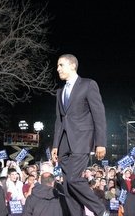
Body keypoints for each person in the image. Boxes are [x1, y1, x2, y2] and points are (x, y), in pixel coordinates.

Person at [51, 54, 109, 216]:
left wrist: (101, 142)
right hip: (63, 144)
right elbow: (59, 120)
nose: (58, 69)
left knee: (73, 179)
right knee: (68, 188)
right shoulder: (59, 92)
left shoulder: (88, 85)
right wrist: (55, 144)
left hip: (82, 141)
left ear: (72, 66)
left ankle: (101, 211)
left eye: (60, 65)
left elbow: (99, 115)